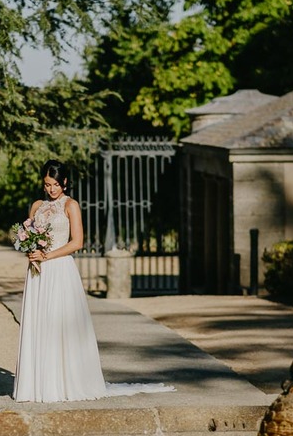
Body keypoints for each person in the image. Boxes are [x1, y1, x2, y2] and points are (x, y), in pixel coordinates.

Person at [13, 159, 175, 402]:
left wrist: (47, 255)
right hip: (38, 273)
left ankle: (62, 384)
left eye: (56, 184)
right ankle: (38, 384)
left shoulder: (71, 205)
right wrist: (31, 251)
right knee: (40, 323)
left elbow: (77, 243)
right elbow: (31, 237)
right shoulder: (36, 205)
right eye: (47, 184)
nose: (51, 189)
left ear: (65, 182)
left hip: (59, 269)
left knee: (59, 324)